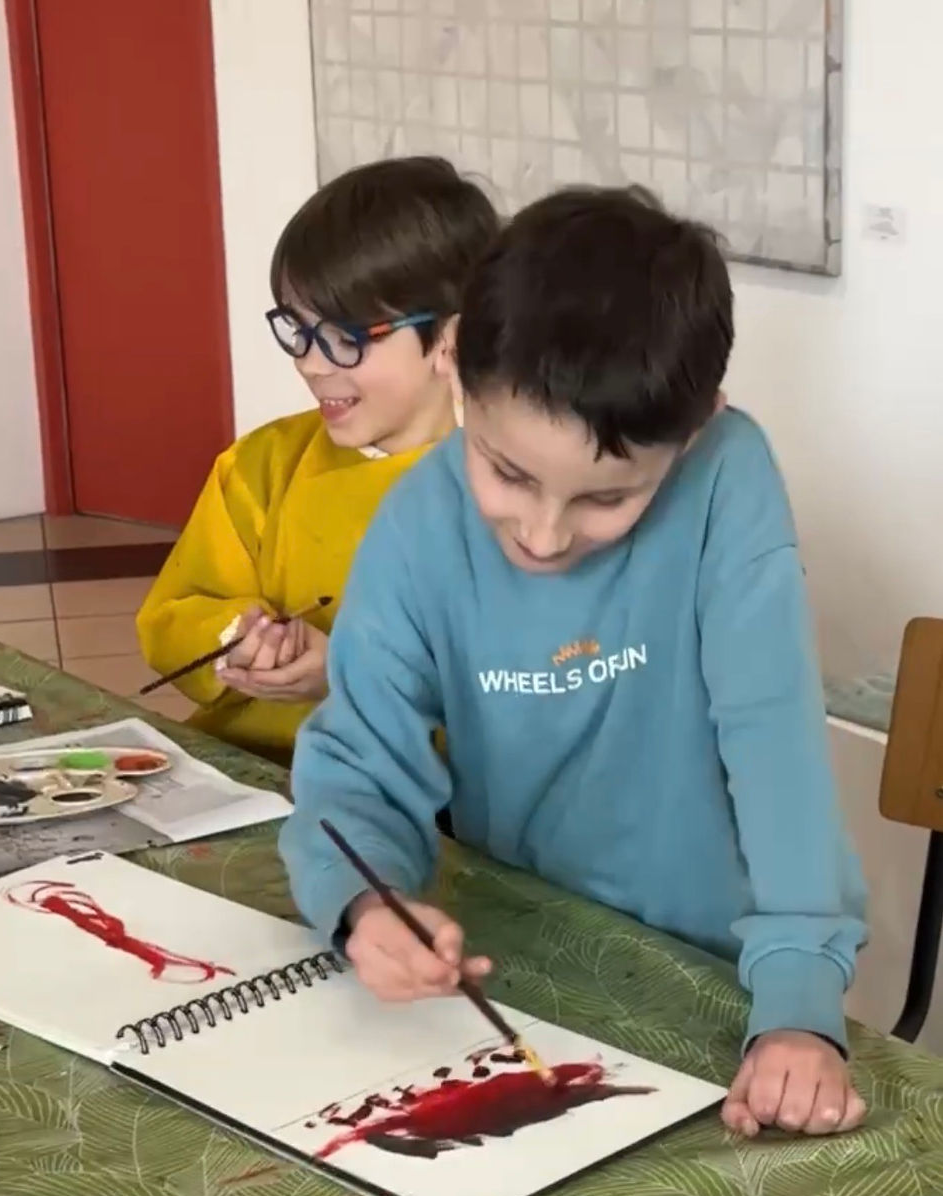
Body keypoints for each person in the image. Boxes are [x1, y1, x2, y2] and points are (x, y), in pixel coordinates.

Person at [280, 186, 868, 1140]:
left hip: (713, 975)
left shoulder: (726, 476)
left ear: (697, 425)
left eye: (605, 499)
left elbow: (778, 757)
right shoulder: (419, 523)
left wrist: (799, 1009)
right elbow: (358, 764)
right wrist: (367, 904)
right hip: (521, 965)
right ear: (456, 362)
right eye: (508, 473)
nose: (545, 535)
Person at [137, 157, 498, 760]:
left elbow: (522, 688)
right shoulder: (263, 465)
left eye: (344, 338)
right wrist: (235, 636)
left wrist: (352, 673)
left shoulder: (516, 495)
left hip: (417, 796)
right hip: (245, 769)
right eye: (296, 329)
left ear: (450, 339)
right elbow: (174, 613)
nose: (309, 362)